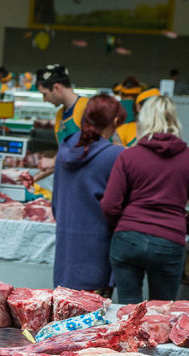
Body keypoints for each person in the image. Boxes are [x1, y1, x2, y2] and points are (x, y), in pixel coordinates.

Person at [101, 95, 189, 304]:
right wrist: (181, 227)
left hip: (128, 239)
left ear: (145, 120)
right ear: (174, 120)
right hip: (169, 242)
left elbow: (109, 204)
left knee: (127, 310)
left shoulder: (129, 156)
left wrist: (125, 225)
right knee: (162, 312)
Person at [52, 94, 126, 296]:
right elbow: (117, 207)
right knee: (93, 325)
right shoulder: (115, 155)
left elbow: (56, 205)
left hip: (65, 256)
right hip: (98, 255)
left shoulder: (65, 147)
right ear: (115, 121)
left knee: (65, 320)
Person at [36, 64, 89, 145]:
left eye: (45, 94)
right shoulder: (60, 115)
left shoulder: (88, 108)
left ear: (57, 88)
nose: (44, 100)